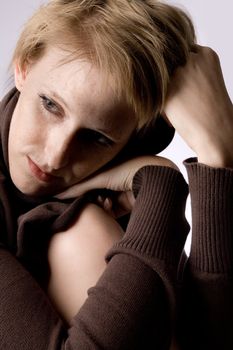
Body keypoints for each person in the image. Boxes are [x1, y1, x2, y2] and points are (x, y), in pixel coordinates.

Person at [0, 0, 232, 349]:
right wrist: (161, 182)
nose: (55, 156)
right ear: (24, 65)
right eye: (50, 105)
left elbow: (209, 339)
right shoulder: (94, 221)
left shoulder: (105, 200)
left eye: (97, 137)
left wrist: (220, 158)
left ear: (131, 139)